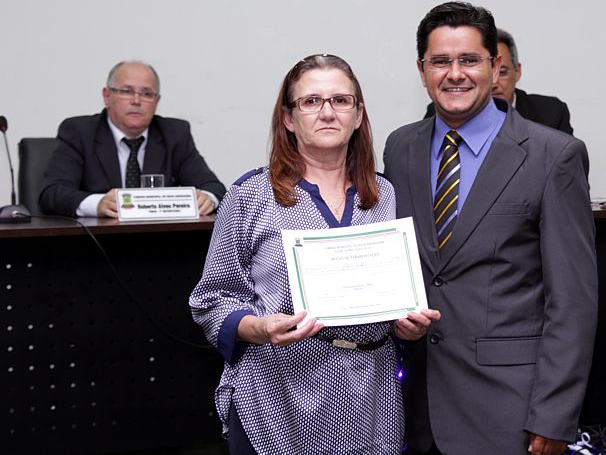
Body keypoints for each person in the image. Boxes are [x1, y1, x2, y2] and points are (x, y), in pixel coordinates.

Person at [189, 54, 440, 454]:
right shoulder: (251, 195)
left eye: (341, 100)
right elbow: (211, 299)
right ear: (288, 118)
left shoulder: (386, 194)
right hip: (276, 397)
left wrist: (406, 326)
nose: (327, 112)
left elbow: (391, 295)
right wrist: (259, 328)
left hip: (371, 399)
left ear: (358, 115)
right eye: (311, 101)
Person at [383, 2, 598, 455]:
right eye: (440, 61)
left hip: (510, 409)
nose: (454, 74)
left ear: (497, 67)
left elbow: (572, 302)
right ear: (421, 70)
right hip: (414, 402)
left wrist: (554, 415)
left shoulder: (552, 156)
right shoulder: (400, 147)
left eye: (469, 60)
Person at [39, 60, 225, 217]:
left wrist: (207, 198)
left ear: (157, 101)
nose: (136, 101)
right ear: (107, 96)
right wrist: (98, 204)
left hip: (162, 246)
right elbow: (52, 194)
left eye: (146, 94)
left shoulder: (174, 133)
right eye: (127, 91)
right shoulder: (80, 132)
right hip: (96, 248)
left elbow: (214, 187)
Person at [424, 28, 573, 135]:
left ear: (517, 72)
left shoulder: (550, 113)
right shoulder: (441, 110)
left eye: (501, 72)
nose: (493, 84)